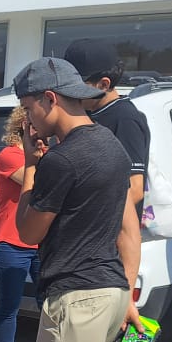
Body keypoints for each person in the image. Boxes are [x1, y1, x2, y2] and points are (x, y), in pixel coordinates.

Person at [11, 57, 141, 342]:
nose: (27, 119)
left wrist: (31, 166)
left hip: (76, 299)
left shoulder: (61, 160)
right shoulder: (111, 146)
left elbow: (27, 232)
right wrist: (129, 292)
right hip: (109, 291)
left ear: (50, 99)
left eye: (29, 108)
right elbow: (129, 227)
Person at [64, 39, 151, 220]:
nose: (70, 92)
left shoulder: (125, 118)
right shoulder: (86, 113)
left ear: (103, 84)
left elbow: (135, 188)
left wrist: (85, 218)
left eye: (77, 85)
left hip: (106, 237)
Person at [0, 106, 42, 342]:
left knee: (51, 305)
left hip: (41, 243)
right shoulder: (10, 155)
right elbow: (37, 185)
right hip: (11, 242)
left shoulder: (47, 154)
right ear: (23, 123)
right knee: (9, 305)